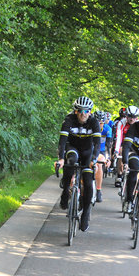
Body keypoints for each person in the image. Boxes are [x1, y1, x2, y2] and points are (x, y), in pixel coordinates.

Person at [57, 96, 101, 232]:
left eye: (86, 110)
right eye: (80, 110)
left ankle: (86, 213)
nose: (83, 113)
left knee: (88, 183)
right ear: (76, 111)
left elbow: (97, 143)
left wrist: (94, 160)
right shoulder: (69, 120)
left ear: (90, 111)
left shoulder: (94, 122)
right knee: (71, 160)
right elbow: (63, 141)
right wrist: (60, 159)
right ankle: (65, 191)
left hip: (87, 152)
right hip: (73, 148)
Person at [113, 106, 139, 187]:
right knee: (122, 151)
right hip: (124, 143)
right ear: (126, 116)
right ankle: (119, 175)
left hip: (135, 144)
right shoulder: (121, 123)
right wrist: (116, 150)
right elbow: (119, 137)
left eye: (134, 117)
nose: (132, 119)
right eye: (130, 116)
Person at [94, 111, 112, 202]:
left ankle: (98, 190)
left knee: (100, 164)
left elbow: (108, 145)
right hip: (91, 150)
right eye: (97, 122)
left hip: (101, 150)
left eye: (101, 123)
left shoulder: (107, 129)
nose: (99, 125)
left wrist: (108, 157)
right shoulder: (90, 127)